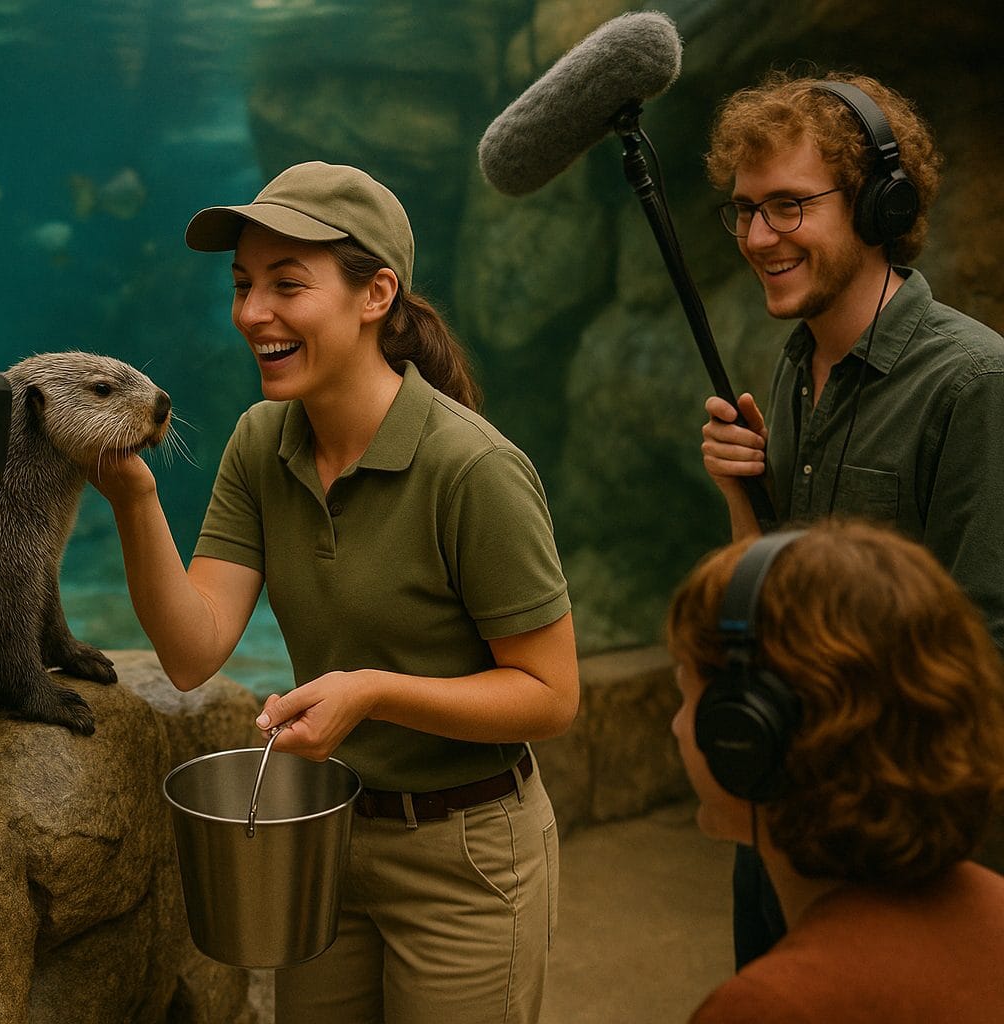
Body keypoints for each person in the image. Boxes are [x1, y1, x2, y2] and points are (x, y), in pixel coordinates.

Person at [91, 161, 578, 1024]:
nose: (252, 315)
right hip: (324, 840)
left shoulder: (474, 469)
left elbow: (550, 695)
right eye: (243, 285)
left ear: (376, 294)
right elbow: (193, 648)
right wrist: (135, 497)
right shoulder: (259, 440)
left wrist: (372, 693)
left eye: (287, 285)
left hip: (466, 856)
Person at [695, 69, 1004, 964]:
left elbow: (982, 654)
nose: (757, 236)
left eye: (788, 207)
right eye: (745, 210)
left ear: (879, 205)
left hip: (900, 846)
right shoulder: (793, 369)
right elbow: (784, 611)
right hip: (788, 814)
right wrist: (741, 504)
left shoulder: (974, 383)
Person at [666, 521, 1004, 1022]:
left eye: (688, 696)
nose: (675, 726)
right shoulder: (994, 908)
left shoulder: (773, 1007)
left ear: (750, 735)